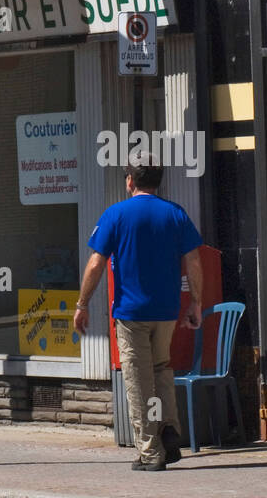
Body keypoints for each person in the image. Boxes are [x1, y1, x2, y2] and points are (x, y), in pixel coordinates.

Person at [75, 159, 203, 471]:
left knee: (138, 381)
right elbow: (194, 261)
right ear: (157, 182)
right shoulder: (175, 213)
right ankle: (168, 428)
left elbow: (95, 264)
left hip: (131, 314)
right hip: (166, 312)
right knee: (161, 370)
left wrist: (82, 303)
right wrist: (196, 303)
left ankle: (150, 452)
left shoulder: (116, 215)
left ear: (130, 180)